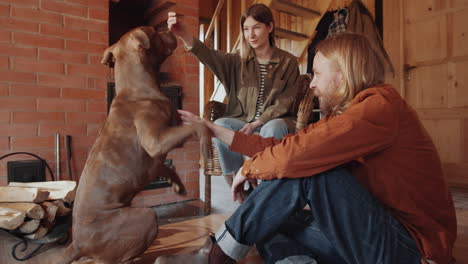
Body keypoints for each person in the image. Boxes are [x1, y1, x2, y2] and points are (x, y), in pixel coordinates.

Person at [155, 32, 457, 264]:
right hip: (374, 238)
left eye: (318, 73)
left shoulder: (380, 107)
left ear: (344, 74)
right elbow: (286, 145)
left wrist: (247, 168)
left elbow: (298, 155)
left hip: (411, 249)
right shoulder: (347, 116)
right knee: (270, 218)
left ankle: (215, 256)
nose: (311, 84)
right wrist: (214, 129)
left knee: (308, 170)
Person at [167, 4, 300, 186]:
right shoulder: (237, 61)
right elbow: (209, 56)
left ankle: (267, 185)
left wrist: (258, 123)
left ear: (269, 27)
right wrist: (185, 36)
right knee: (221, 124)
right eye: (246, 29)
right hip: (243, 120)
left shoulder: (288, 62)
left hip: (274, 122)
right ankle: (236, 182)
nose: (250, 35)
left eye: (256, 28)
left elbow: (286, 101)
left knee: (273, 128)